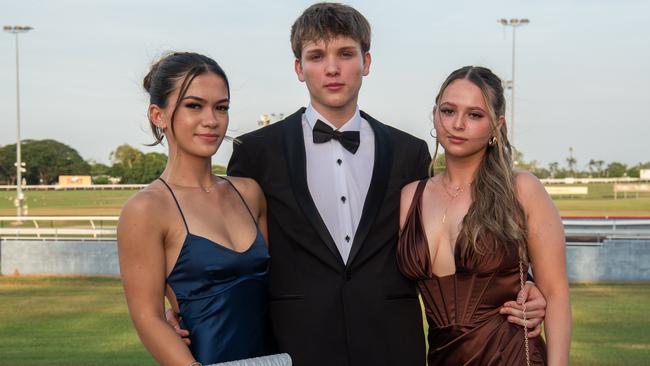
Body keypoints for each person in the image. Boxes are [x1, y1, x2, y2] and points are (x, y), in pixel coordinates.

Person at [169, 4, 548, 365]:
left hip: (393, 346)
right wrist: (177, 305)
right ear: (299, 68)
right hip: (296, 345)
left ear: (366, 62)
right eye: (317, 56)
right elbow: (234, 248)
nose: (332, 68)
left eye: (346, 54)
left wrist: (523, 284)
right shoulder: (255, 152)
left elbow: (446, 235)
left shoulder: (409, 152)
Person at [397, 65, 572, 365]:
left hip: (512, 357)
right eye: (449, 111)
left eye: (475, 115)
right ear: (435, 114)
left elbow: (555, 293)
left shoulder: (522, 190)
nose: (458, 124)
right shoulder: (410, 196)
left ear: (496, 124)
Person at [117, 52, 274, 365]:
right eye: (194, 105)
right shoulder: (146, 210)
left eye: (221, 107)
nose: (212, 120)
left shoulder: (249, 193)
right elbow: (148, 318)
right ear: (157, 115)